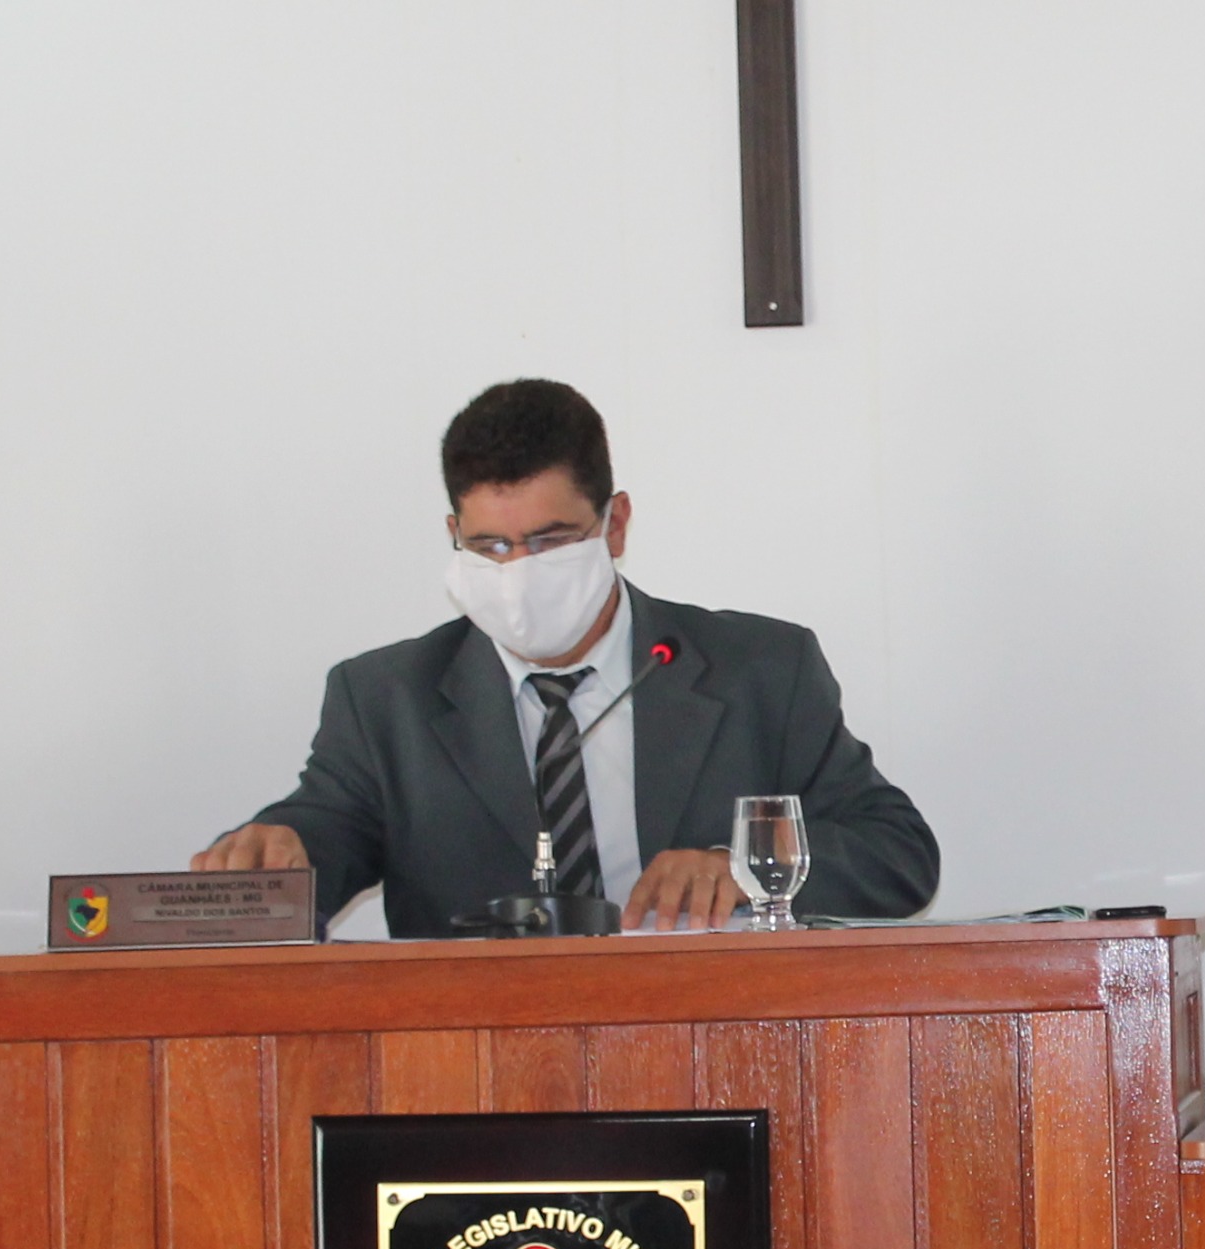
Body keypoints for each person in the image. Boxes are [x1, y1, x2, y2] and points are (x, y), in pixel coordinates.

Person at [194, 378, 939, 934]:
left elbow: (898, 854)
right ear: (453, 535)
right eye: (490, 546)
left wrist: (740, 867)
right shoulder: (386, 698)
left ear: (615, 524)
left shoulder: (761, 670)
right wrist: (274, 850)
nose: (519, 571)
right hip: (474, 1064)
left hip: (709, 1041)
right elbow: (320, 835)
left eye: (550, 541)